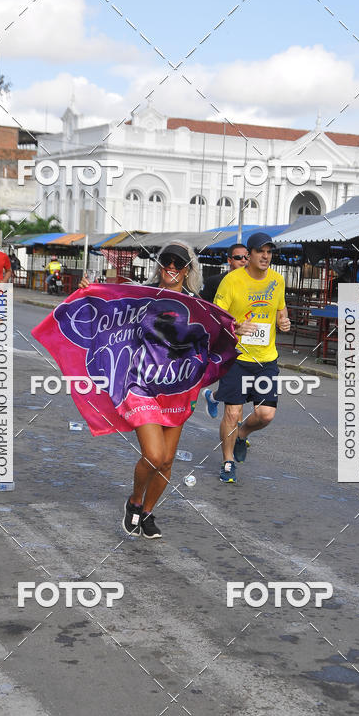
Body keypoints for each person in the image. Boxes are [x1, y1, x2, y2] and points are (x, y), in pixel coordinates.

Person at [79, 241, 203, 540]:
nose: (171, 267)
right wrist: (88, 292)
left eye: (178, 263)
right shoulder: (140, 295)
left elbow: (214, 335)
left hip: (178, 387)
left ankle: (146, 512)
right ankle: (134, 501)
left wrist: (236, 331)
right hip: (141, 386)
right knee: (154, 454)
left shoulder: (198, 305)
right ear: (159, 265)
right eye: (166, 261)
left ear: (187, 270)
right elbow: (108, 310)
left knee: (168, 460)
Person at [213, 231, 290, 484]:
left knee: (266, 414)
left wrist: (284, 320)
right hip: (236, 357)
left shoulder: (277, 281)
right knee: (232, 413)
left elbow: (280, 309)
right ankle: (227, 462)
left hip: (265, 359)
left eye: (269, 252)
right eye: (261, 251)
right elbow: (217, 317)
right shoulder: (232, 281)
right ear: (250, 255)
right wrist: (235, 327)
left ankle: (242, 435)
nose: (266, 256)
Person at [201, 244, 249, 418]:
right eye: (238, 258)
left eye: (246, 257)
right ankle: (236, 434)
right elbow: (204, 307)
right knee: (235, 385)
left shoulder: (255, 282)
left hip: (249, 339)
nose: (243, 261)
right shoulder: (215, 282)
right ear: (229, 260)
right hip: (222, 338)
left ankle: (213, 397)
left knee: (238, 387)